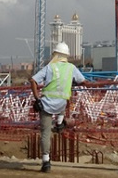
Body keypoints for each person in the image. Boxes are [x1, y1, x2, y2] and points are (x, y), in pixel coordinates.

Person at [30, 42, 86, 173]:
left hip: (46, 105)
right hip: (61, 104)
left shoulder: (50, 67)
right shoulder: (71, 68)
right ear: (66, 55)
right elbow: (82, 81)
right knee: (63, 100)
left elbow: (33, 80)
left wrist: (37, 98)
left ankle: (46, 162)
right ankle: (60, 123)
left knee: (45, 133)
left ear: (55, 54)